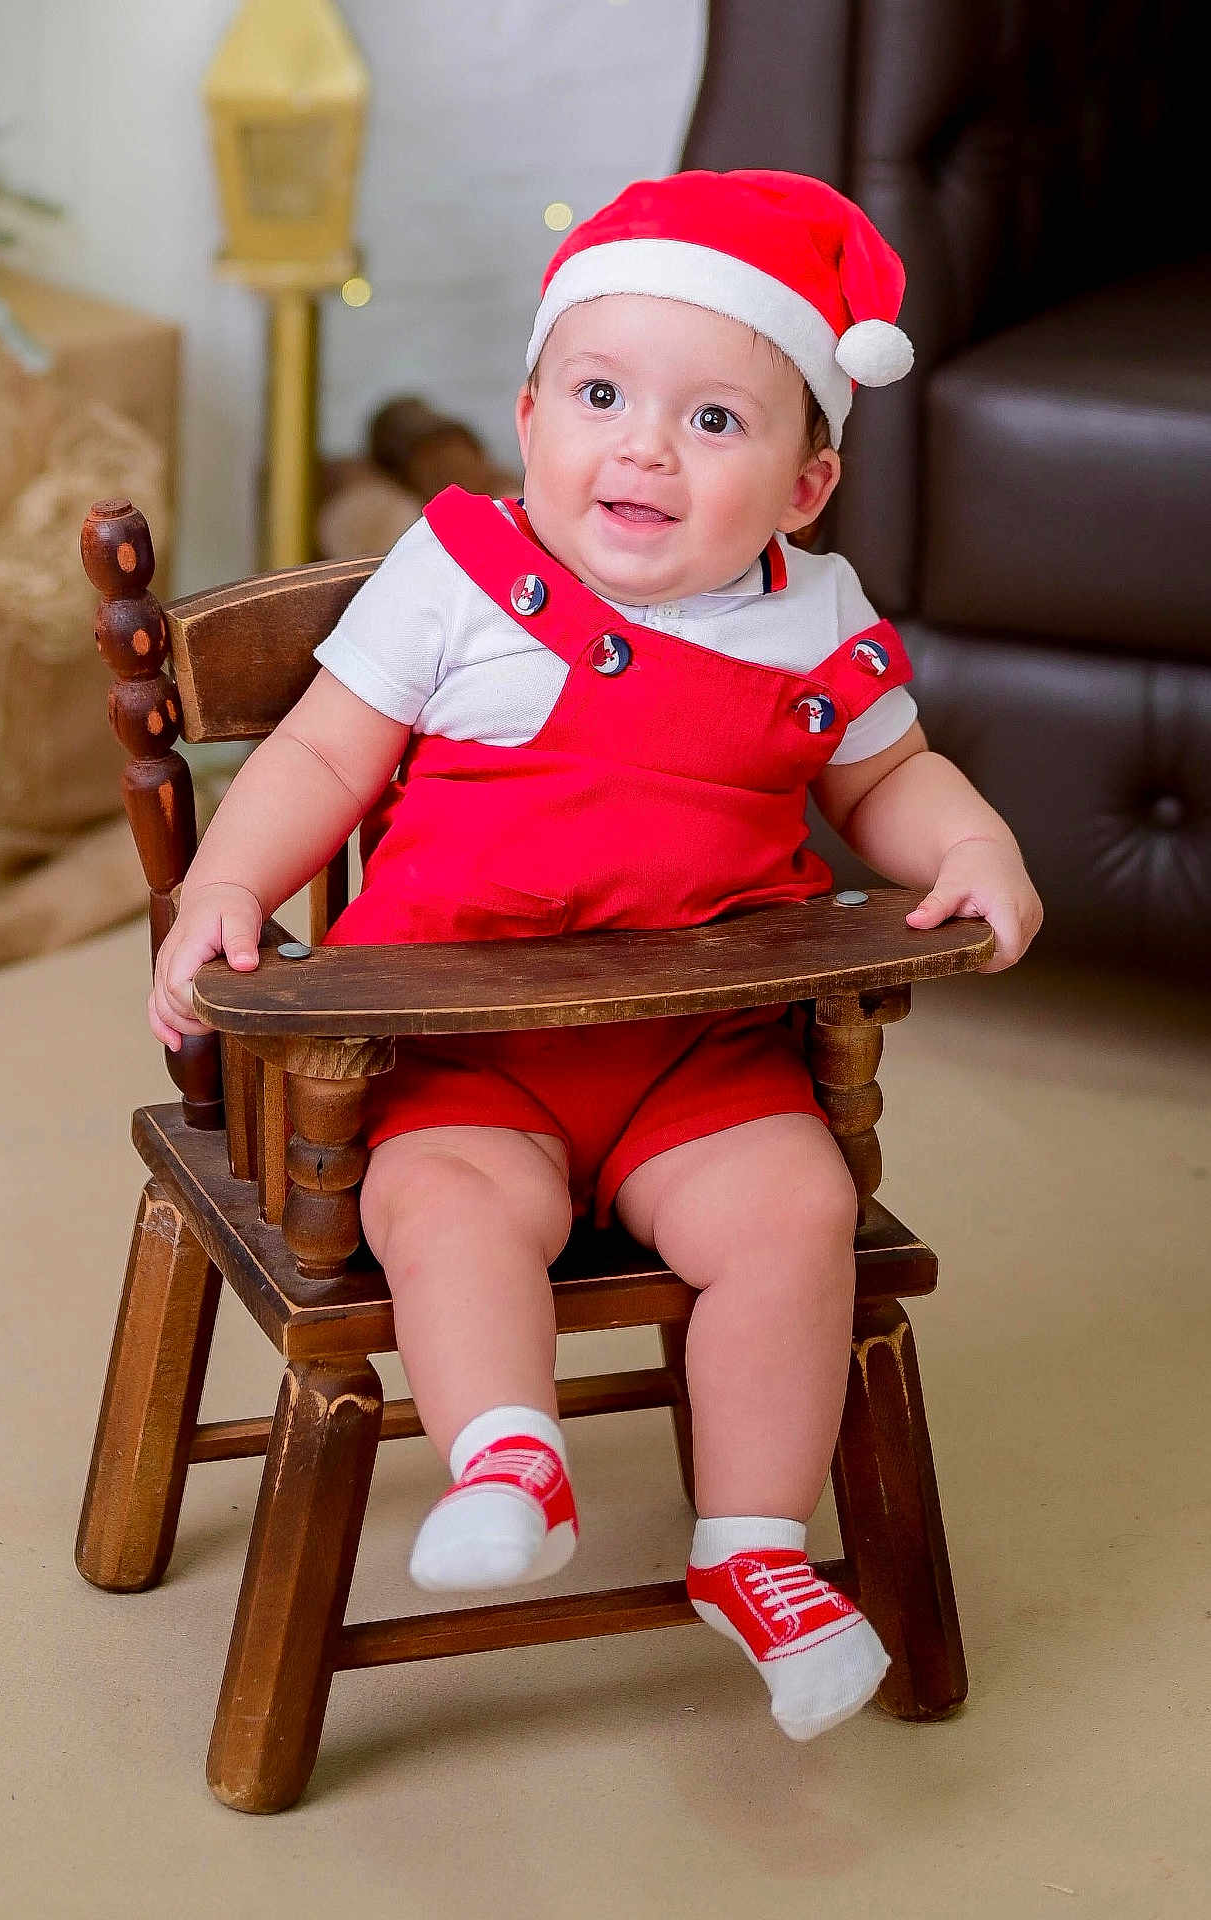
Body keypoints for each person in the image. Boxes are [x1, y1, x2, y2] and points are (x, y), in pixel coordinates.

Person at [148, 171, 1042, 1742]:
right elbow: (319, 759)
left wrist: (970, 844)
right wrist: (224, 884)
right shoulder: (464, 576)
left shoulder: (809, 618)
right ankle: (508, 1450)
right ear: (530, 412)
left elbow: (884, 776)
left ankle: (751, 1550)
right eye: (603, 395)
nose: (641, 445)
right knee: (442, 1208)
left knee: (794, 1212)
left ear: (803, 484)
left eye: (714, 422)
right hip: (452, 1050)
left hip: (695, 1058)